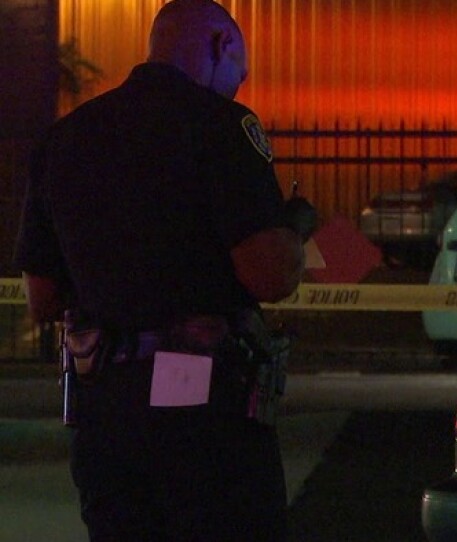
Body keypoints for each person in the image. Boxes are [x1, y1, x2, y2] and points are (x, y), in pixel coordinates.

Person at [14, 1, 316, 540]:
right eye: (237, 74)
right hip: (206, 418)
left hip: (105, 413)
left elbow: (43, 299)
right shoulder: (222, 125)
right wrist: (295, 228)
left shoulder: (66, 138)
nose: (235, 88)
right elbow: (268, 276)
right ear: (221, 46)